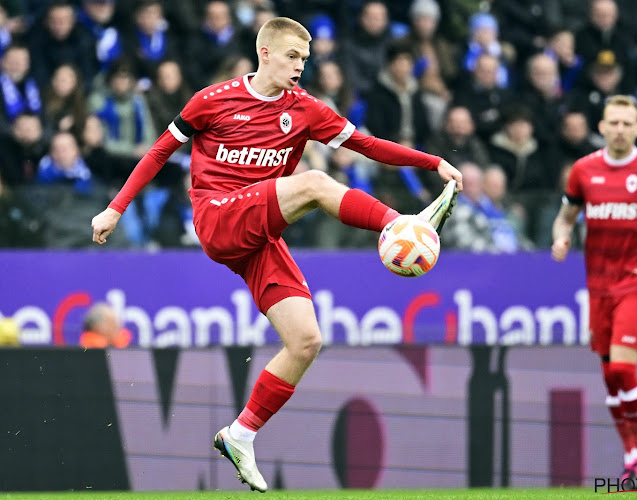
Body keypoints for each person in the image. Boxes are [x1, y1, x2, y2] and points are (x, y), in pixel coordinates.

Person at [90, 16, 462, 492]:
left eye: (305, 59)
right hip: (218, 217)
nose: (300, 66)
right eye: (292, 56)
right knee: (311, 183)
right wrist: (115, 208)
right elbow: (159, 153)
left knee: (306, 341)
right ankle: (402, 225)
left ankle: (241, 434)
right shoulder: (211, 100)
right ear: (264, 52)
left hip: (259, 233)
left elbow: (367, 145)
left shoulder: (306, 109)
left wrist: (432, 162)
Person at [550, 95, 637, 486]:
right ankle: (632, 458)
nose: (619, 130)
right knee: (610, 378)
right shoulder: (583, 171)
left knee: (622, 368)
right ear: (601, 127)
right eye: (613, 123)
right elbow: (565, 219)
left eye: (627, 123)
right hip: (598, 285)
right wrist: (561, 239)